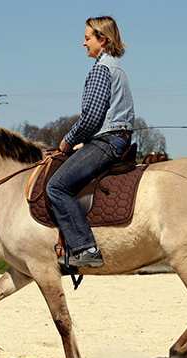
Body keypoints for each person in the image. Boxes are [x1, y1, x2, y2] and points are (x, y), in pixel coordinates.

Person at [46, 16, 135, 268]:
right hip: (114, 137)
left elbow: (92, 118)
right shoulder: (117, 67)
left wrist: (67, 140)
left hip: (108, 140)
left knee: (57, 186)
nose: (82, 43)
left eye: (87, 38)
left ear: (102, 39)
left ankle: (85, 248)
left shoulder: (101, 69)